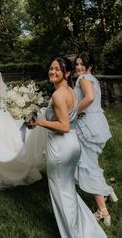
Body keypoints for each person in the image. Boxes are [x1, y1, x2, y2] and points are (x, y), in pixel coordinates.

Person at [29, 57, 107, 238]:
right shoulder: (70, 90)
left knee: (61, 192)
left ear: (67, 73)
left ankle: (74, 233)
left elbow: (63, 126)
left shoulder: (58, 95)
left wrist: (38, 121)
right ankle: (85, 227)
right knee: (68, 189)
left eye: (57, 69)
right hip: (73, 144)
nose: (52, 71)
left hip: (60, 147)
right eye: (51, 68)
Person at [74, 51, 118, 227]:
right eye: (76, 64)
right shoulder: (93, 79)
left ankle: (102, 211)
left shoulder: (83, 78)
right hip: (97, 123)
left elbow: (90, 98)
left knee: (88, 166)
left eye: (81, 64)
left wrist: (74, 112)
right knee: (91, 162)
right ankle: (108, 191)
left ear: (89, 66)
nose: (78, 67)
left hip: (87, 127)